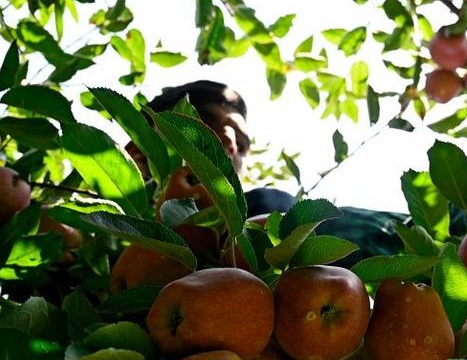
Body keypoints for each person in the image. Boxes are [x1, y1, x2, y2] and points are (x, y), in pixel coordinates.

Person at [133, 80, 405, 262]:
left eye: (241, 143)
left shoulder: (259, 210)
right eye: (202, 122)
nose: (229, 142)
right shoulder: (104, 239)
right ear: (137, 152)